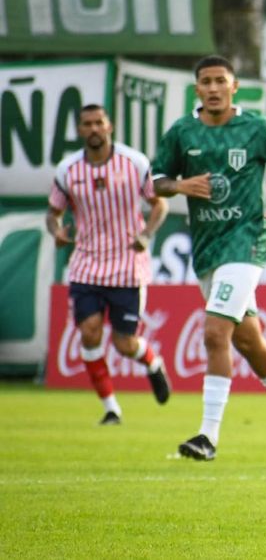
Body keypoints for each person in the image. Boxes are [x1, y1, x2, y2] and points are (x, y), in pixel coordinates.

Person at [151, 55, 266, 461]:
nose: (212, 88)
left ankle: (207, 437)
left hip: (246, 244)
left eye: (220, 81)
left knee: (213, 334)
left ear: (234, 86)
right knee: (247, 339)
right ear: (196, 90)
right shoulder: (182, 132)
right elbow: (155, 181)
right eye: (205, 81)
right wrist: (179, 185)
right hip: (207, 249)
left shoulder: (256, 128)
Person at [47, 104, 171, 425]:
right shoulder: (67, 170)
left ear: (110, 126)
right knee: (89, 334)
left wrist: (146, 233)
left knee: (124, 343)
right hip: (86, 264)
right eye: (87, 124)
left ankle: (153, 363)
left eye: (98, 122)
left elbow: (160, 204)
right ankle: (111, 407)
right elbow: (53, 212)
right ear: (79, 130)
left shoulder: (134, 162)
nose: (93, 129)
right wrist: (56, 231)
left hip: (128, 266)